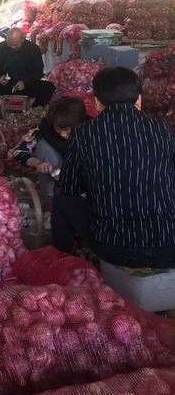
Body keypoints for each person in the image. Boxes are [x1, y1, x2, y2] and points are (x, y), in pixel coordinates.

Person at [52, 67, 175, 267]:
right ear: (138, 100)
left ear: (97, 102)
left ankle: (60, 262)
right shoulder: (163, 129)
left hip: (115, 248)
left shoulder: (84, 134)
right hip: (169, 245)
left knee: (62, 199)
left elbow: (70, 187)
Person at [11, 96, 87, 196]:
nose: (63, 134)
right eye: (59, 129)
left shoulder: (91, 128)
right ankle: (48, 196)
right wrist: (38, 163)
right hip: (56, 172)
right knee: (43, 145)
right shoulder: (46, 128)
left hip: (83, 176)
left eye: (68, 130)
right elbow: (19, 151)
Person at [0, 27, 55, 107]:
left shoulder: (33, 49)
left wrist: (25, 82)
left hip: (26, 86)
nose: (12, 47)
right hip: (5, 86)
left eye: (15, 45)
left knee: (49, 87)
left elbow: (38, 72)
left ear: (23, 39)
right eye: (10, 44)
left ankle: (34, 107)